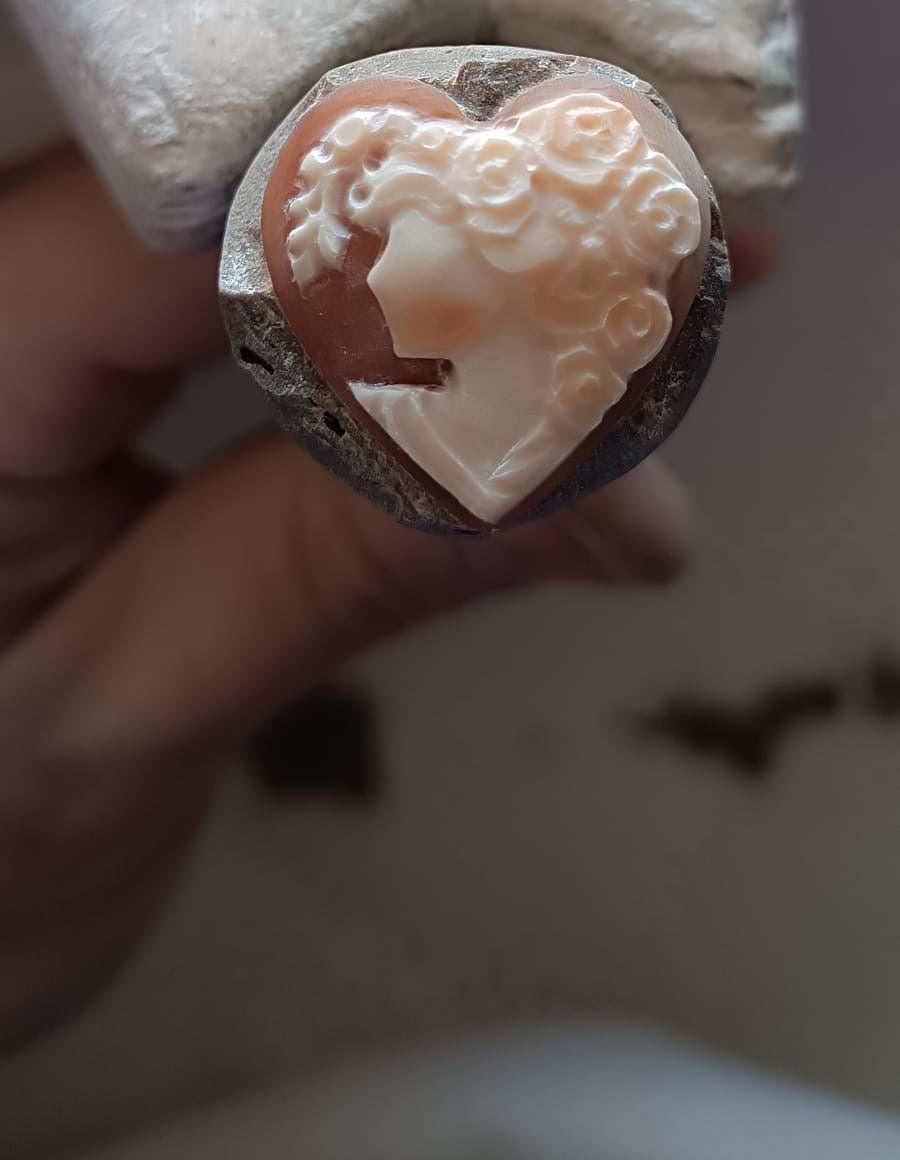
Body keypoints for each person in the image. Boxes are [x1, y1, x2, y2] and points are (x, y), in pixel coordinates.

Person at [0, 147, 775, 1048]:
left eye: (406, 237)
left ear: (517, 265)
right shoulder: (401, 415)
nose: (376, 270)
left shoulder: (477, 447)